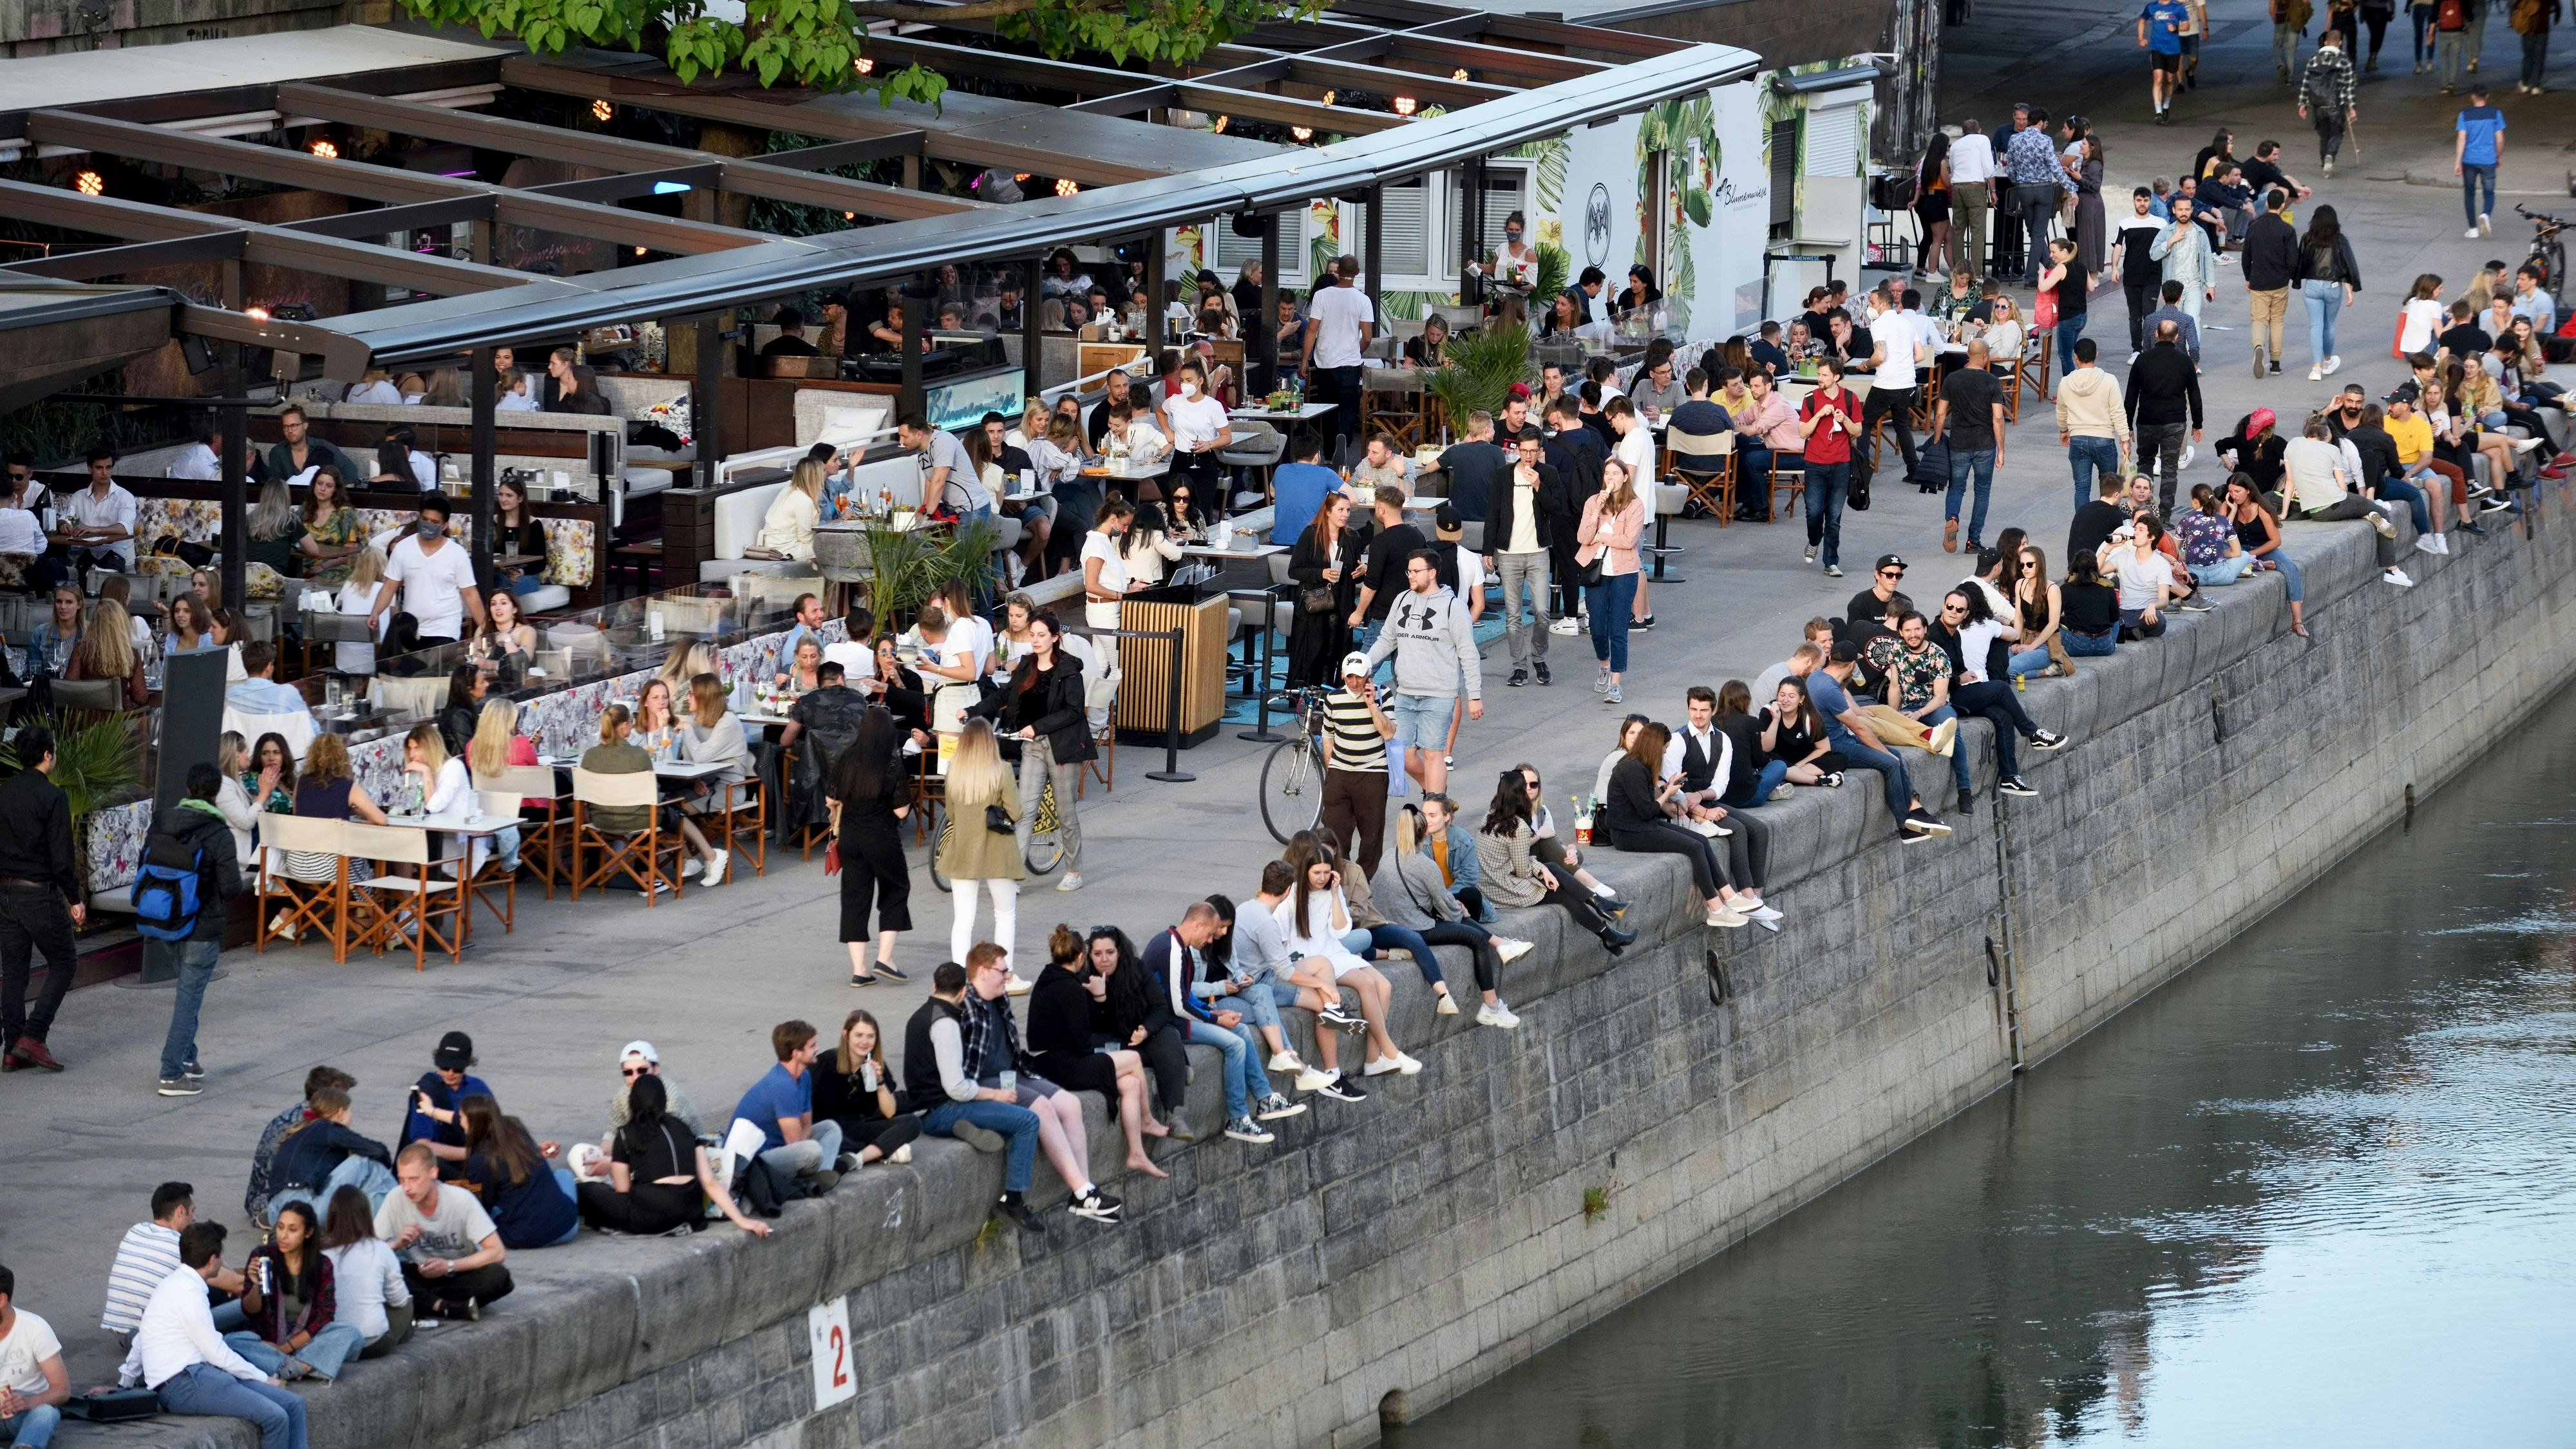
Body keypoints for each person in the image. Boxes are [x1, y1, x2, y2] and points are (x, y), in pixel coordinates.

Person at [907, 956, 1121, 1233]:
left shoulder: (926, 1013)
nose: (1008, 977)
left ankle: (1082, 1190)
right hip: (943, 1107)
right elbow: (957, 1088)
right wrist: (994, 1096)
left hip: (942, 1101)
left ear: (934, 985)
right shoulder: (948, 1022)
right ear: (964, 990)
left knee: (1054, 1108)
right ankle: (1015, 1199)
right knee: (1027, 1120)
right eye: (1003, 971)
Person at [120, 1223, 309, 1449]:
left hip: (200, 1376)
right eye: (221, 1257)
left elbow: (141, 1339)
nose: (222, 1262)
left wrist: (124, 1384)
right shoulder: (190, 1294)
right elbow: (217, 1353)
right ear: (212, 1260)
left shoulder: (171, 1284)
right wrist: (263, 1378)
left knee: (294, 1404)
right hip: (184, 1385)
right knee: (275, 1417)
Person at [1276, 837, 1416, 1077]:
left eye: (1326, 872)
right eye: (1317, 872)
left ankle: (1374, 1059)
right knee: (1366, 983)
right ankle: (1389, 1049)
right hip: (1311, 956)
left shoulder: (1332, 890)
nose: (1322, 877)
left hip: (1333, 950)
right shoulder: (1293, 895)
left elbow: (1341, 930)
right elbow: (1278, 934)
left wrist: (1334, 894)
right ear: (1306, 871)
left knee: (1385, 985)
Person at [144, 765, 243, 1098]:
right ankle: (171, 1074)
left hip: (167, 920)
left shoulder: (162, 822)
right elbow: (230, 889)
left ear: (188, 789)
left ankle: (189, 1059)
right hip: (202, 927)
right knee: (188, 1000)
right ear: (215, 793)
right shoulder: (218, 833)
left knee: (189, 995)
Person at [981, 611, 1092, 896]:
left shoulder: (1068, 669)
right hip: (1032, 746)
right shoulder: (1027, 665)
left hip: (1061, 747)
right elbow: (1003, 696)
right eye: (1032, 635)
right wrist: (972, 711)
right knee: (1024, 810)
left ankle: (1073, 871)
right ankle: (1014, 875)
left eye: (1042, 635)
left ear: (1055, 638)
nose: (1036, 640)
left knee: (1066, 813)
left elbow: (1073, 711)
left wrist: (1036, 726)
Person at [578, 1074, 770, 1238]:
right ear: (663, 1100)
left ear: (632, 1102)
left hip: (654, 1215)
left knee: (587, 1191)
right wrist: (743, 1221)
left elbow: (623, 1190)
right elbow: (709, 1181)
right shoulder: (683, 1127)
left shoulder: (625, 1133)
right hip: (691, 1214)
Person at [1601, 722, 1753, 928]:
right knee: (1694, 847)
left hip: (1642, 825)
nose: (1664, 754)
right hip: (1628, 833)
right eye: (1663, 750)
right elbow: (1648, 810)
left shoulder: (1638, 765)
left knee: (1700, 840)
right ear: (1655, 747)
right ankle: (1716, 908)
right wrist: (1668, 794)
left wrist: (1666, 787)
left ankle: (1729, 896)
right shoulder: (1632, 768)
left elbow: (1645, 806)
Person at [1358, 549, 1481, 798]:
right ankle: (1436, 793)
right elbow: (1386, 640)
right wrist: (1363, 665)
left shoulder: (1453, 607)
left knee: (1434, 754)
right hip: (1405, 693)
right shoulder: (1402, 599)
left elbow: (1468, 653)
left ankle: (1434, 807)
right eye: (1409, 571)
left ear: (1432, 573)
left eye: (1416, 571)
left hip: (1440, 695)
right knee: (1401, 754)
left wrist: (1474, 696)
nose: (1410, 576)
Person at [0, 727, 82, 1077]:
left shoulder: (4, 793)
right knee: (64, 962)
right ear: (48, 755)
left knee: (14, 972)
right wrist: (74, 898)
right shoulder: (53, 797)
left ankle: (12, 1047)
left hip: (5, 892)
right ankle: (34, 1035)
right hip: (38, 892)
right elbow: (62, 857)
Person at [1814, 642, 1949, 840]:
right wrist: (1883, 753)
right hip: (1837, 746)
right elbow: (1859, 728)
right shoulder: (1830, 691)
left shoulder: (1819, 676)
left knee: (1896, 754)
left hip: (1836, 738)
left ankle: (1915, 808)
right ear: (1852, 665)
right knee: (1890, 762)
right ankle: (1905, 826)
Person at [223, 1200, 363, 1383]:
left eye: (292, 1230)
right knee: (231, 1341)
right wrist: (257, 1285)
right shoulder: (262, 1255)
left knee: (352, 1334)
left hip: (305, 1341)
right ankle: (304, 1366)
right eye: (280, 1227)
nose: (283, 1235)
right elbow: (249, 1311)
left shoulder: (323, 1266)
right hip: (268, 1342)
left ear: (308, 1233)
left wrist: (287, 1348)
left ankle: (290, 1366)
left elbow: (326, 1314)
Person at [826, 705, 913, 987]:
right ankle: (885, 958)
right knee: (896, 890)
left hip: (850, 838)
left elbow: (831, 799)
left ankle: (859, 969)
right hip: (881, 837)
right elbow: (901, 813)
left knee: (854, 899)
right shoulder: (890, 764)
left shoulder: (847, 758)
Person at [374, 1144, 511, 1321]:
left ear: (433, 1173)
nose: (407, 1188)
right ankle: (444, 1306)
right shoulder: (395, 1198)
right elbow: (368, 1250)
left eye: (414, 1179)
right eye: (402, 1180)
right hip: (420, 1273)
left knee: (498, 1277)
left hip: (457, 1273)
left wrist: (449, 1266)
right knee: (383, 1271)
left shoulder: (460, 1199)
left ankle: (424, 1303)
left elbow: (497, 1252)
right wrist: (396, 1244)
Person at [938, 720, 1027, 987]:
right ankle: (1005, 975)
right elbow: (1016, 812)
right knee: (1005, 915)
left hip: (963, 849)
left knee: (963, 919)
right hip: (998, 849)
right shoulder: (1002, 770)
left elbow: (951, 814)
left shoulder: (954, 771)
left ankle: (958, 979)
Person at [265, 1086, 397, 1226]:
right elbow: (378, 1151)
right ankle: (404, 1212)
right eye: (350, 1111)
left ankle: (374, 1231)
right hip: (305, 1208)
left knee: (367, 1183)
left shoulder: (300, 1134)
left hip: (276, 1214)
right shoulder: (329, 1129)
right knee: (367, 1164)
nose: (351, 1115)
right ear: (341, 1113)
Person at [366, 495, 484, 648]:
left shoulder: (457, 554)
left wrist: (484, 626)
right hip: (411, 628)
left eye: (434, 522)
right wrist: (375, 612)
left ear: (444, 526)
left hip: (444, 629)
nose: (428, 525)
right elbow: (389, 587)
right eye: (425, 519)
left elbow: (470, 593)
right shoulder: (403, 548)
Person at [317, 1186, 414, 1358]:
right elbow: (399, 1300)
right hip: (373, 1343)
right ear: (366, 1216)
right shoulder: (381, 1249)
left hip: (333, 1342)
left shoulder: (321, 1254)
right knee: (407, 1303)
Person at [1936, 340, 2006, 553]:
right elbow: (1998, 418)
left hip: (1959, 443)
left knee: (1956, 487)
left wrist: (1937, 439)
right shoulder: (1993, 382)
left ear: (1968, 354)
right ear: (1985, 356)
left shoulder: (1952, 379)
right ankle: (1973, 540)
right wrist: (2001, 449)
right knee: (1982, 491)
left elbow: (1940, 413)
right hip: (1985, 444)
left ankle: (1953, 517)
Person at [1797, 359, 1862, 579]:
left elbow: (1859, 431)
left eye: (1825, 375)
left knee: (1834, 517)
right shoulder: (1811, 399)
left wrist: (1844, 419)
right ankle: (1814, 540)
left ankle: (1831, 562)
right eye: (1819, 374)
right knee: (1813, 511)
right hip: (1814, 463)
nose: (1820, 379)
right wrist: (1819, 415)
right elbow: (1803, 432)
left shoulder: (1849, 399)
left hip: (1841, 464)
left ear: (1836, 377)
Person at [1302, 257, 1376, 447]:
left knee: (1328, 408)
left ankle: (1328, 450)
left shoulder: (1321, 296)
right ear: (1357, 272)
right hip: (1350, 364)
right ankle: (1344, 439)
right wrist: (1355, 350)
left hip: (1325, 362)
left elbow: (1312, 330)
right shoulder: (1363, 300)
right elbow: (1367, 337)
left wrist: (1304, 360)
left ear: (1337, 270)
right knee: (1349, 407)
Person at [395, 1030, 489, 1173]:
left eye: (457, 1068)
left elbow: (494, 1127)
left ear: (468, 1063)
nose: (450, 1073)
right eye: (445, 1066)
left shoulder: (479, 1087)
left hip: (476, 1162)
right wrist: (471, 1153)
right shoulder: (420, 1091)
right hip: (441, 1165)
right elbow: (423, 1146)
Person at [0, 1264, 66, 1449]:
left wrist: (27, 1402)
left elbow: (62, 1390)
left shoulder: (35, 1328)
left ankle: (25, 1446)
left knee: (46, 1413)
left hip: (25, 1412)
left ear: (1, 1299)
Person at [2295, 205, 2362, 381]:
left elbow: (2300, 261)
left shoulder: (2308, 238)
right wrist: (2350, 289)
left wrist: (2297, 279)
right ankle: (2327, 361)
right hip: (2333, 285)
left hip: (2312, 285)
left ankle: (2315, 368)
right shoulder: (2340, 240)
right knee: (2329, 325)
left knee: (2315, 326)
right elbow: (2347, 264)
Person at [2300, 28, 2359, 173]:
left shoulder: (2313, 59)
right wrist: (2351, 106)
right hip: (2335, 104)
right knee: (2337, 132)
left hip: (2317, 104)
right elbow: (2349, 85)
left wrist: (2303, 104)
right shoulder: (2343, 60)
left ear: (2325, 42)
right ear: (2340, 43)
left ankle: (2324, 164)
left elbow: (2306, 82)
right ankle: (2330, 156)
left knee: (2324, 135)